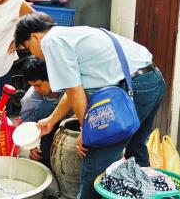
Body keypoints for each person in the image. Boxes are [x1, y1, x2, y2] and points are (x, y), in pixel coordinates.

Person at [14, 12, 166, 198]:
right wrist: (52, 120)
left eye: (28, 48)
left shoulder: (51, 42)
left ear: (35, 37)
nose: (33, 54)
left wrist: (88, 131)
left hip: (135, 88)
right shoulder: (70, 36)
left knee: (95, 154)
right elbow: (73, 90)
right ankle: (146, 193)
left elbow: (75, 91)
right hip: (152, 81)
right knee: (136, 148)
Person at [19, 56, 62, 166]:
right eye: (33, 86)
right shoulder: (29, 100)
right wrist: (32, 147)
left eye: (38, 85)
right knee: (47, 108)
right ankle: (45, 157)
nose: (36, 90)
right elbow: (26, 127)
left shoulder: (67, 87)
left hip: (68, 124)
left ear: (50, 78)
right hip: (45, 130)